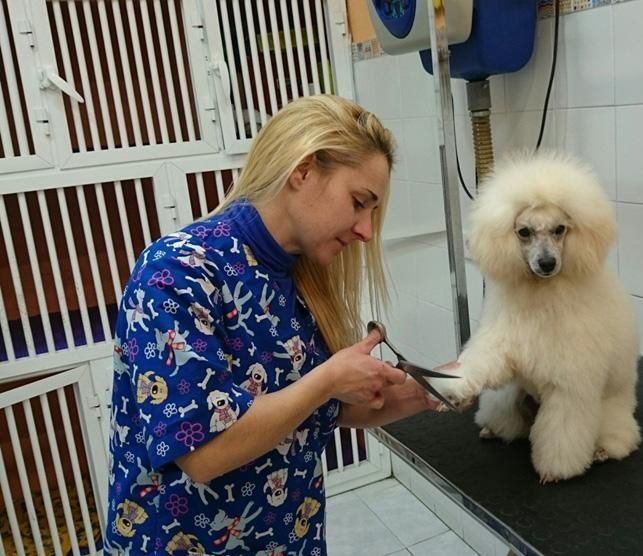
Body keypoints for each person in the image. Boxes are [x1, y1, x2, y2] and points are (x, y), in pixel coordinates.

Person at [104, 95, 445, 555]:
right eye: (358, 203)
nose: (366, 231)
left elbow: (325, 409)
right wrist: (328, 380)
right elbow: (203, 452)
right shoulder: (179, 273)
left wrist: (449, 384)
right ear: (304, 171)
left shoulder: (299, 276)